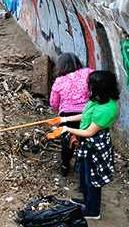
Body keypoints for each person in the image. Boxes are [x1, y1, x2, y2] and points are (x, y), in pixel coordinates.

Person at [47, 71, 119, 220]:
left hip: (96, 144)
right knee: (85, 173)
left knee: (92, 178)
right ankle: (87, 201)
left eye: (91, 86)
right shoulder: (97, 100)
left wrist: (66, 129)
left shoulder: (107, 109)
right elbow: (85, 114)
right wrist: (63, 119)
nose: (88, 89)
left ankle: (93, 211)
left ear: (101, 88)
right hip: (88, 143)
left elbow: (88, 132)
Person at [49, 53, 93, 176]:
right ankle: (85, 164)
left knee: (67, 142)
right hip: (86, 113)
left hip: (66, 116)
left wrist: (58, 110)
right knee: (85, 138)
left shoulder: (59, 81)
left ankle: (65, 165)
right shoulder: (88, 73)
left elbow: (53, 102)